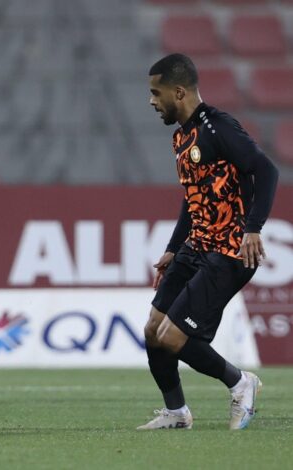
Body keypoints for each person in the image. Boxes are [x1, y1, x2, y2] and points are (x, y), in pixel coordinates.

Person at [138, 53, 279, 431]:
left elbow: (266, 170)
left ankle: (241, 383)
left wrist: (253, 228)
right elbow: (194, 196)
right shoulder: (182, 137)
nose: (151, 101)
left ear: (178, 92)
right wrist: (173, 247)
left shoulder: (218, 128)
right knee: (153, 329)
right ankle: (176, 413)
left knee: (172, 336)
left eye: (156, 93)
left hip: (230, 249)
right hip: (196, 245)